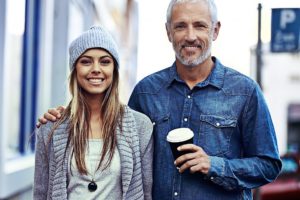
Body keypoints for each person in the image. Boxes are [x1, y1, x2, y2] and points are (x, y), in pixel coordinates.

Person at [37, 0, 282, 199]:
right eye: (180, 26)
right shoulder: (146, 92)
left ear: (215, 30)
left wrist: (215, 165)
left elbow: (269, 165)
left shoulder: (244, 91)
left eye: (199, 25)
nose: (190, 36)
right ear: (168, 32)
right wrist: (65, 117)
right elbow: (116, 144)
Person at [33, 26, 153, 200]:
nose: (96, 69)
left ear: (114, 70)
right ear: (75, 69)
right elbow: (40, 194)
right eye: (86, 61)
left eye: (105, 62)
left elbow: (146, 193)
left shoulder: (140, 126)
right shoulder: (51, 127)